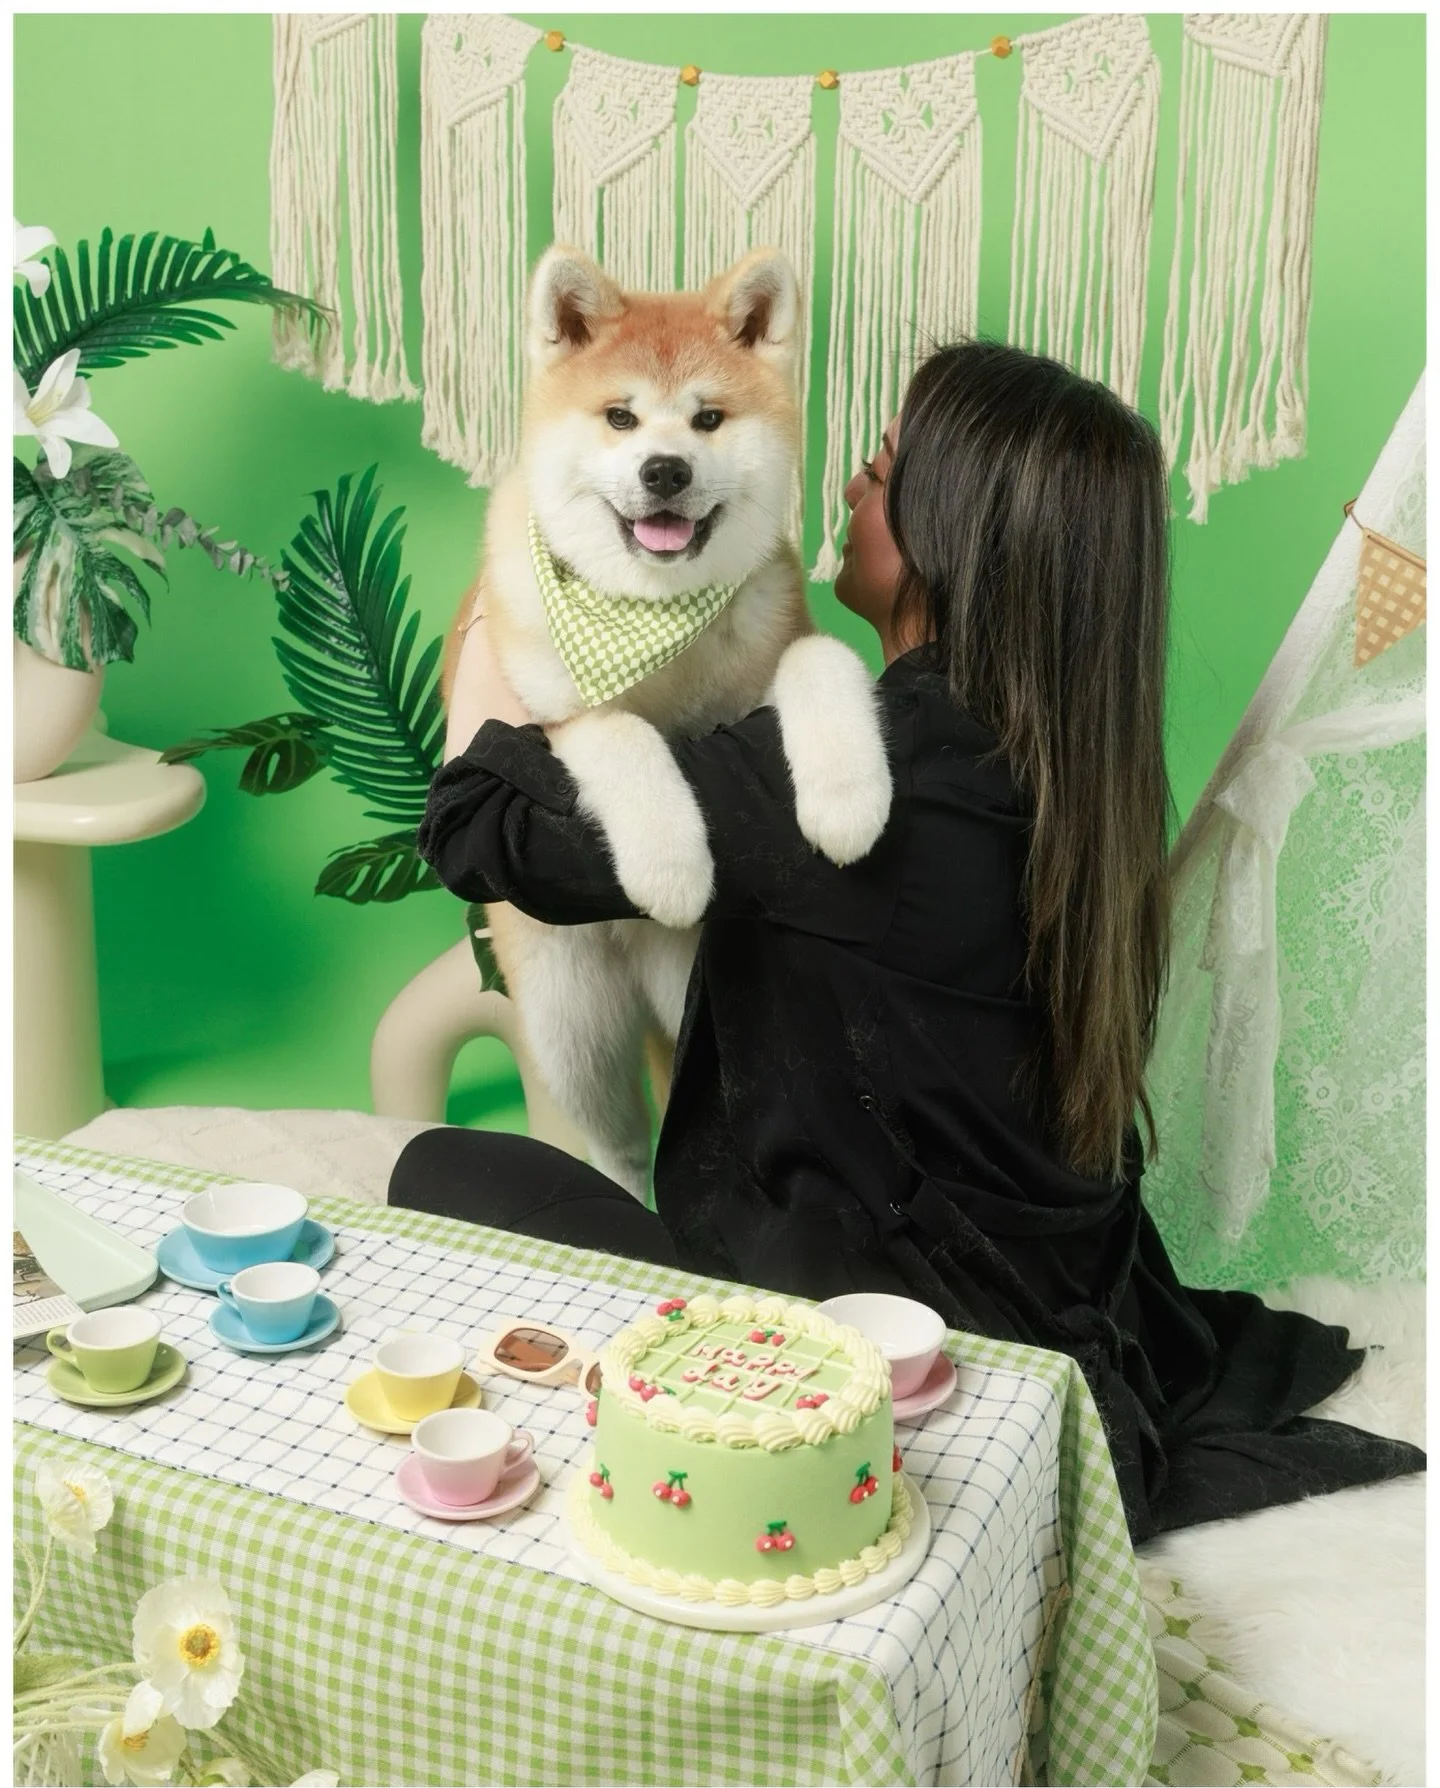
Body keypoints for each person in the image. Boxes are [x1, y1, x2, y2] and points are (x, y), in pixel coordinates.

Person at [391, 341, 1424, 1542]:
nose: (847, 493)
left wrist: (495, 612)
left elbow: (478, 835)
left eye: (879, 473)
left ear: (945, 528)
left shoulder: (855, 774)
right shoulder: (1070, 760)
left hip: (872, 1333)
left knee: (437, 1173)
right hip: (1044, 1299)